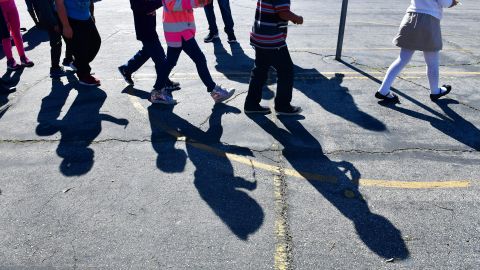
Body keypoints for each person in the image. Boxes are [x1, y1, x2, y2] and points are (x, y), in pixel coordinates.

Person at [150, 0, 235, 105]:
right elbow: (173, 4)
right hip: (179, 30)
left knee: (170, 62)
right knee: (199, 59)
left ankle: (157, 92)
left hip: (180, 28)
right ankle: (215, 91)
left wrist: (200, 2)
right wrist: (196, 2)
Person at [375, 0, 459, 103]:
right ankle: (435, 91)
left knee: (402, 59)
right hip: (429, 20)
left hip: (411, 16)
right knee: (432, 62)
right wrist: (453, 2)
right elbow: (445, 3)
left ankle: (383, 90)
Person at [244, 0, 303, 115]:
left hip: (260, 35)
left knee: (260, 70)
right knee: (286, 70)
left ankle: (251, 104)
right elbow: (283, 13)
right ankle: (283, 105)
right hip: (272, 40)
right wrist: (297, 18)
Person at [118, 0, 180, 91]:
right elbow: (139, 6)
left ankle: (127, 69)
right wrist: (160, 2)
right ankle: (164, 82)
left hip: (149, 27)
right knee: (159, 55)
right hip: (144, 29)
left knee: (147, 51)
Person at [55, 0, 101, 86]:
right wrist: (66, 26)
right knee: (80, 48)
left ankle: (78, 64)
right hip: (70, 19)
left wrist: (92, 14)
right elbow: (59, 3)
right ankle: (84, 76)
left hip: (86, 16)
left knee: (96, 42)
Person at [31, 0, 73, 78]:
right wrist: (54, 23)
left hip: (58, 16)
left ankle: (68, 59)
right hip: (52, 20)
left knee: (69, 39)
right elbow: (45, 9)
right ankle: (55, 68)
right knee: (56, 44)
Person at [0, 0, 34, 70]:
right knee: (5, 35)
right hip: (1, 7)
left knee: (16, 32)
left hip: (11, 5)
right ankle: (10, 61)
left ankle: (23, 58)